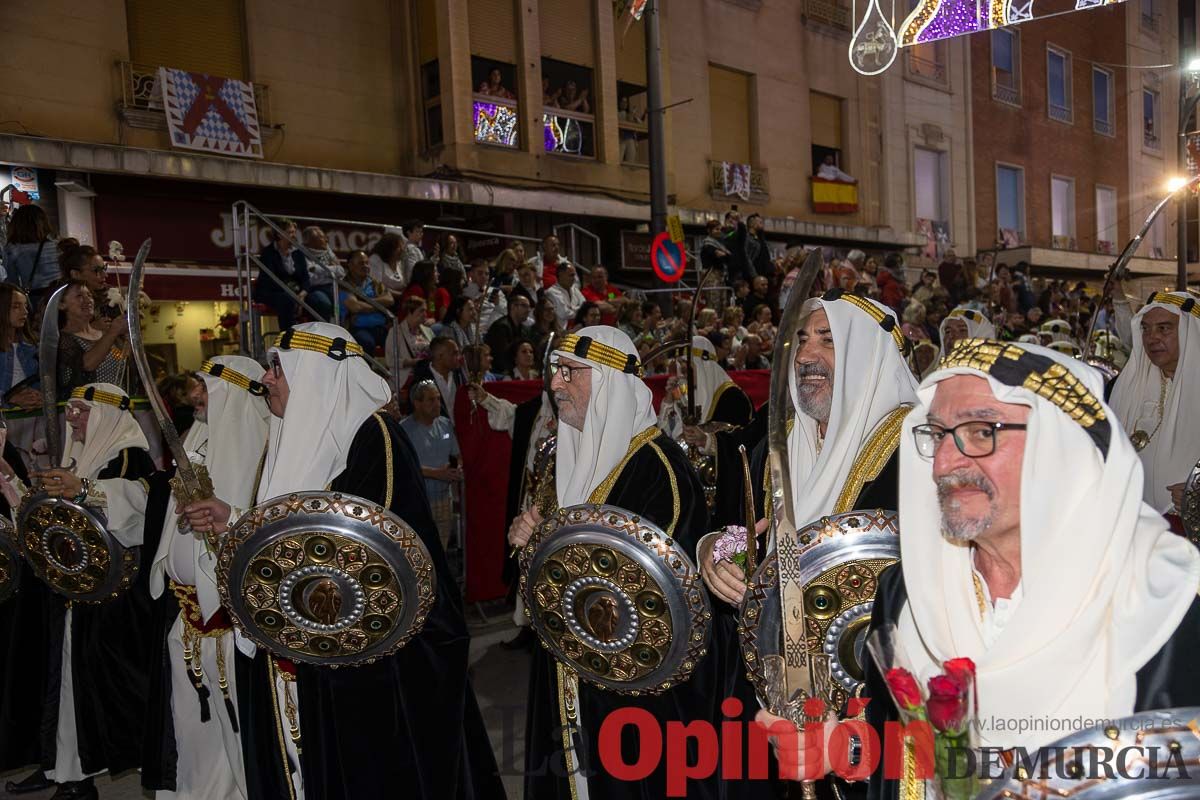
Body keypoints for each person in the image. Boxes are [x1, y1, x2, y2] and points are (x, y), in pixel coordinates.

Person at [760, 339, 1200, 798]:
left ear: (1063, 446)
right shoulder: (908, 592)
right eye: (937, 433)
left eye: (981, 430)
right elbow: (907, 758)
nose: (946, 463)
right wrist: (845, 748)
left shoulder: (1164, 601)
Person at [180, 322, 503, 800]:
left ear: (315, 377)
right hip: (310, 645)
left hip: (371, 659)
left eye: (278, 369)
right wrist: (235, 521)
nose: (267, 379)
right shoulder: (290, 436)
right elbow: (301, 527)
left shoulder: (375, 438)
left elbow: (369, 556)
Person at [508, 327, 770, 800]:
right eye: (554, 372)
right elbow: (550, 563)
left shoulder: (658, 467)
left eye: (571, 373)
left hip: (635, 690)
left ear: (608, 379)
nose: (556, 384)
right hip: (567, 672)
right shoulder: (561, 459)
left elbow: (673, 595)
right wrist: (527, 540)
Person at [700, 292, 918, 797]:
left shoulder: (918, 448)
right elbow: (735, 531)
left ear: (865, 355)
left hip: (874, 706)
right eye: (800, 339)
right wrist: (718, 553)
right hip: (772, 698)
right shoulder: (773, 445)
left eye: (826, 340)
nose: (804, 355)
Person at [141, 356, 271, 799]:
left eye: (205, 387)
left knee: (238, 733)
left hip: (231, 631)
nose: (194, 396)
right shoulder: (196, 439)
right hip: (187, 619)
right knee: (192, 731)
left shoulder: (258, 453)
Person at [28, 384, 156, 800]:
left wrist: (82, 490)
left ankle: (90, 768)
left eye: (81, 411)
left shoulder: (126, 456)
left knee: (110, 688)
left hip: (113, 598)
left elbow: (139, 505)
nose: (72, 419)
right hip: (73, 592)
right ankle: (66, 769)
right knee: (65, 683)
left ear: (104, 415)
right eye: (71, 411)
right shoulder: (77, 457)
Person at [1110, 291, 1200, 516]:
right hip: (1136, 525)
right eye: (1146, 328)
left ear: (1190, 331)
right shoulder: (1129, 385)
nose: (1151, 338)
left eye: (1164, 328)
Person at [657, 335, 755, 527]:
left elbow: (743, 446)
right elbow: (667, 436)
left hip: (722, 496)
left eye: (686, 371)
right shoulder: (685, 397)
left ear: (702, 368)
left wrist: (708, 441)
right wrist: (669, 401)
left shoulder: (733, 399)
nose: (682, 377)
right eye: (679, 371)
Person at [400, 380, 463, 550]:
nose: (437, 404)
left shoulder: (445, 424)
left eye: (438, 399)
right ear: (417, 403)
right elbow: (403, 467)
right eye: (431, 400)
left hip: (444, 499)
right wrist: (436, 473)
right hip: (418, 500)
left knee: (440, 550)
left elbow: (458, 454)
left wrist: (460, 468)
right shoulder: (404, 430)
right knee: (419, 550)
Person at [57, 281, 130, 398]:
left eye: (89, 295)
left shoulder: (106, 334)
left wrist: (130, 334)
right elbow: (86, 365)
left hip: (117, 409)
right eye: (79, 296)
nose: (88, 300)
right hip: (86, 411)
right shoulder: (61, 339)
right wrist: (113, 331)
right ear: (61, 304)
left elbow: (126, 363)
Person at [252, 220, 309, 331]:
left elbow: (305, 277)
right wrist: (294, 295)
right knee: (286, 300)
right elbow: (270, 280)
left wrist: (303, 293)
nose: (293, 235)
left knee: (318, 300)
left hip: (295, 292)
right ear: (279, 233)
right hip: (271, 291)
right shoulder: (268, 253)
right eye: (290, 232)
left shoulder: (298, 252)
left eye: (294, 232)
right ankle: (288, 337)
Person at [338, 249, 394, 353]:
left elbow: (390, 300)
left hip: (380, 327)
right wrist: (379, 306)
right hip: (357, 328)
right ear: (350, 265)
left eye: (367, 263)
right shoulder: (344, 285)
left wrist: (364, 302)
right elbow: (355, 307)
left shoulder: (375, 283)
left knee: (396, 340)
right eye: (361, 263)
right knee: (366, 343)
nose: (365, 266)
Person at [2, 204, 60, 304]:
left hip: (36, 299)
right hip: (60, 295)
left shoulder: (12, 249)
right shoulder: (56, 246)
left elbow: (12, 283)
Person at [0, 282, 39, 408]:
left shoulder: (32, 348)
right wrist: (9, 398)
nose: (25, 312)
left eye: (26, 306)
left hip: (31, 420)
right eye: (16, 306)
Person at [385, 296, 433, 393]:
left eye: (425, 311)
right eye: (421, 311)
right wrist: (412, 362)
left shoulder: (428, 331)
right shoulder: (395, 332)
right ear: (410, 312)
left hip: (427, 374)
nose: (425, 314)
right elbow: (390, 360)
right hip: (406, 377)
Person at [410, 336, 463, 420]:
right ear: (440, 356)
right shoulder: (421, 382)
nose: (459, 357)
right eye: (454, 353)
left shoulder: (460, 375)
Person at [485, 293, 535, 375]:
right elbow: (501, 358)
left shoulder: (523, 329)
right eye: (524, 306)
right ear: (513, 307)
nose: (528, 310)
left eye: (529, 307)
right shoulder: (500, 327)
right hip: (500, 373)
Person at [300, 226, 343, 321]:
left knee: (345, 302)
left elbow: (341, 271)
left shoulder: (327, 250)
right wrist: (331, 273)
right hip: (312, 289)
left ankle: (341, 332)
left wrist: (316, 269)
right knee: (323, 303)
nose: (327, 240)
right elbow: (310, 279)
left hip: (332, 286)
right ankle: (323, 333)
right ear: (310, 242)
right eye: (322, 237)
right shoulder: (301, 253)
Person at [463, 258, 507, 330]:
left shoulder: (496, 292)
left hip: (496, 327)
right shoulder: (464, 292)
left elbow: (506, 311)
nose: (484, 276)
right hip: (475, 329)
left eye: (487, 274)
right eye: (480, 273)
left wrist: (498, 304)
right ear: (471, 274)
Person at [700, 218, 734, 285]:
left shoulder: (720, 244)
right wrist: (726, 255)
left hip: (721, 274)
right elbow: (720, 255)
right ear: (709, 230)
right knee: (713, 295)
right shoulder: (708, 243)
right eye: (716, 229)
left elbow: (729, 257)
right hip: (710, 275)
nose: (719, 231)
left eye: (720, 229)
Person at [400, 219, 432, 289]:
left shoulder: (415, 249)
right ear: (409, 233)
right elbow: (411, 272)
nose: (421, 234)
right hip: (414, 288)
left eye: (421, 231)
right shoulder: (410, 249)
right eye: (418, 231)